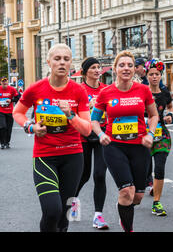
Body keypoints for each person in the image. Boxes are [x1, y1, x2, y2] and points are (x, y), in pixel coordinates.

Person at [12, 43, 92, 232]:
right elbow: (18, 113)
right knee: (52, 210)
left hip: (73, 156)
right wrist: (31, 127)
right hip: (45, 156)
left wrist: (71, 115)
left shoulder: (78, 91)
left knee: (64, 213)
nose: (62, 63)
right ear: (49, 62)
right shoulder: (36, 89)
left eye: (66, 59)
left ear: (71, 63)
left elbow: (87, 130)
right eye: (57, 59)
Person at [91, 51, 159, 232]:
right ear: (115, 69)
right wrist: (100, 134)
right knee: (126, 191)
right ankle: (128, 228)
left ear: (134, 69)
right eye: (122, 65)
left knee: (137, 196)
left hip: (139, 146)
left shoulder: (143, 90)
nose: (126, 68)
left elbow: (153, 115)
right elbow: (94, 119)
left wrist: (150, 134)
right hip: (114, 146)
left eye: (130, 65)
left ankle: (123, 206)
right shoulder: (105, 93)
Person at [71, 57, 109, 230]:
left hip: (101, 135)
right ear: (85, 71)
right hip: (84, 136)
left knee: (99, 175)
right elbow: (72, 113)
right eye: (93, 67)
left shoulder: (106, 90)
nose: (97, 70)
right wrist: (88, 105)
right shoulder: (79, 90)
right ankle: (73, 201)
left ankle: (98, 216)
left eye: (98, 67)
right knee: (83, 175)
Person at [145, 59, 173, 216]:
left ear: (161, 76)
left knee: (160, 167)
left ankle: (157, 202)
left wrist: (169, 115)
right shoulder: (142, 92)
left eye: (157, 74)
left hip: (161, 134)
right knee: (143, 168)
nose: (154, 77)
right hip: (143, 135)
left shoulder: (165, 93)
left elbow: (169, 107)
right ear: (147, 76)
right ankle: (144, 184)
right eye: (151, 74)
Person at [0, 77, 19, 149]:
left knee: (9, 128)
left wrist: (11, 100)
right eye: (3, 82)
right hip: (0, 111)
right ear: (0, 82)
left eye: (5, 81)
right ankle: (2, 143)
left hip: (9, 111)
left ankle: (7, 142)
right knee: (2, 126)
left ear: (8, 82)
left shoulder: (12, 89)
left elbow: (18, 98)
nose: (4, 83)